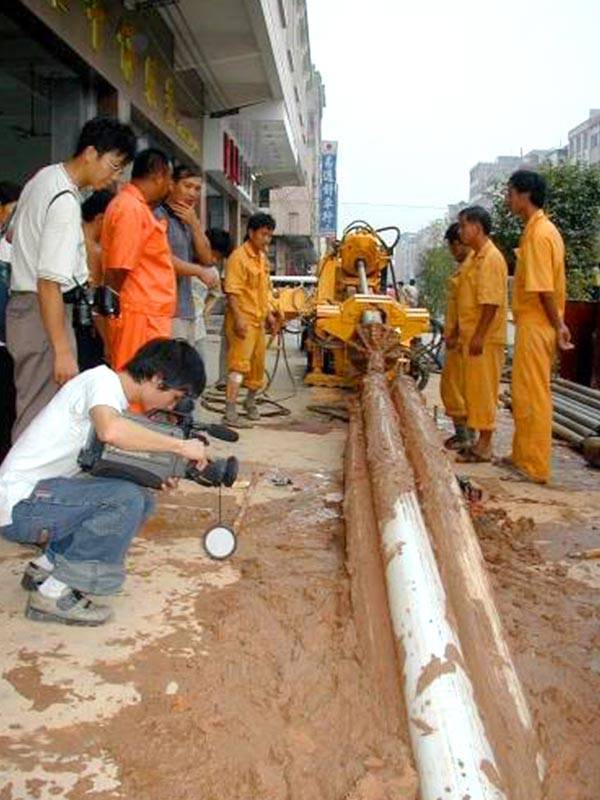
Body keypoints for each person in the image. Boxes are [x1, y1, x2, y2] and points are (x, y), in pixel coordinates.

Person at [0, 338, 207, 626]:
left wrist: (156, 475)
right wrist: (180, 447)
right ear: (158, 379)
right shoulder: (102, 381)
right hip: (20, 504)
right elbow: (111, 432)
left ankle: (45, 567)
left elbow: (106, 463)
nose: (172, 405)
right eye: (175, 396)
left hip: (36, 498)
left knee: (140, 497)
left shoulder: (110, 395)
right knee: (126, 500)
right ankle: (53, 595)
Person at [6, 118, 136, 441]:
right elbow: (49, 282)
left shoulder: (44, 178)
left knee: (34, 407)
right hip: (43, 314)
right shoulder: (63, 200)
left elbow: (10, 234)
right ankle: (22, 490)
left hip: (29, 310)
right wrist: (62, 350)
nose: (114, 176)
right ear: (91, 153)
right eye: (114, 165)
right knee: (40, 415)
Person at [504, 170, 572, 483]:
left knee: (533, 396)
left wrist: (558, 325)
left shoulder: (541, 233)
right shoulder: (534, 231)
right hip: (532, 322)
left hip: (538, 323)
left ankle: (533, 466)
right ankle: (522, 457)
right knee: (524, 393)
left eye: (510, 193)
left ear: (524, 194)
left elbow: (544, 289)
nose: (508, 199)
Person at [102, 149, 175, 371]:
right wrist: (114, 315)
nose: (170, 186)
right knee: (137, 386)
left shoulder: (136, 207)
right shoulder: (130, 208)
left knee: (147, 385)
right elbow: (118, 268)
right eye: (169, 179)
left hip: (145, 314)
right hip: (138, 316)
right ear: (158, 175)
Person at [455, 206, 508, 463]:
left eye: (464, 225)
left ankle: (485, 445)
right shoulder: (474, 259)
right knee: (474, 392)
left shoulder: (491, 259)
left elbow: (491, 302)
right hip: (471, 336)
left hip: (484, 339)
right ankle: (479, 442)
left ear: (477, 227)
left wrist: (479, 335)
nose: (461, 231)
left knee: (484, 393)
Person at [154, 163, 220, 346]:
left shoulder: (187, 220)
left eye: (197, 189)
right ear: (171, 185)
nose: (193, 193)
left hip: (186, 308)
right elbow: (163, 259)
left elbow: (207, 259)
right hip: (164, 310)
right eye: (187, 186)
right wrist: (198, 271)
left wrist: (195, 224)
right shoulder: (158, 216)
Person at [223, 213, 278, 428]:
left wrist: (270, 315)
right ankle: (229, 411)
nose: (267, 240)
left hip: (258, 320)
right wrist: (237, 319)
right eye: (263, 234)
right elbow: (232, 292)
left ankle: (250, 402)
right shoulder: (239, 258)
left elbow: (262, 292)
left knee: (257, 365)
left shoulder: (262, 259)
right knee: (238, 366)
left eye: (270, 236)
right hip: (243, 321)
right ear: (251, 233)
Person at [440, 222, 473, 450]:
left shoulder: (473, 267)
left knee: (458, 390)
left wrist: (456, 333)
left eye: (452, 247)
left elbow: (469, 307)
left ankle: (466, 436)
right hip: (459, 338)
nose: (452, 253)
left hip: (464, 340)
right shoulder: (466, 267)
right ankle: (464, 434)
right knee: (457, 389)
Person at [76, 190, 115, 371]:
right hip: (87, 331)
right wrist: (107, 341)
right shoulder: (94, 250)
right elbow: (95, 302)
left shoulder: (72, 239)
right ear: (101, 218)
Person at [193, 227, 233, 366]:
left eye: (219, 258)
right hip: (180, 320)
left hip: (198, 326)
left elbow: (216, 294)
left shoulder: (213, 273)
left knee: (199, 362)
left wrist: (205, 311)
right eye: (213, 255)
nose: (214, 260)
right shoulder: (185, 264)